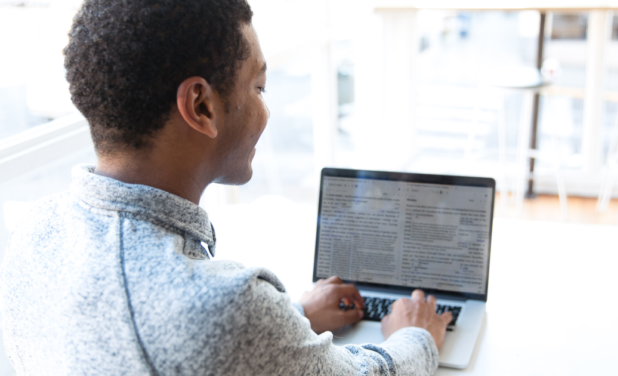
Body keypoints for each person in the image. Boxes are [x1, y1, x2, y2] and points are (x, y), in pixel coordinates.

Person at [0, 0, 453, 375]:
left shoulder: (29, 234)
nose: (266, 112)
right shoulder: (226, 304)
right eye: (258, 86)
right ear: (201, 105)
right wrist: (417, 335)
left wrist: (289, 321)